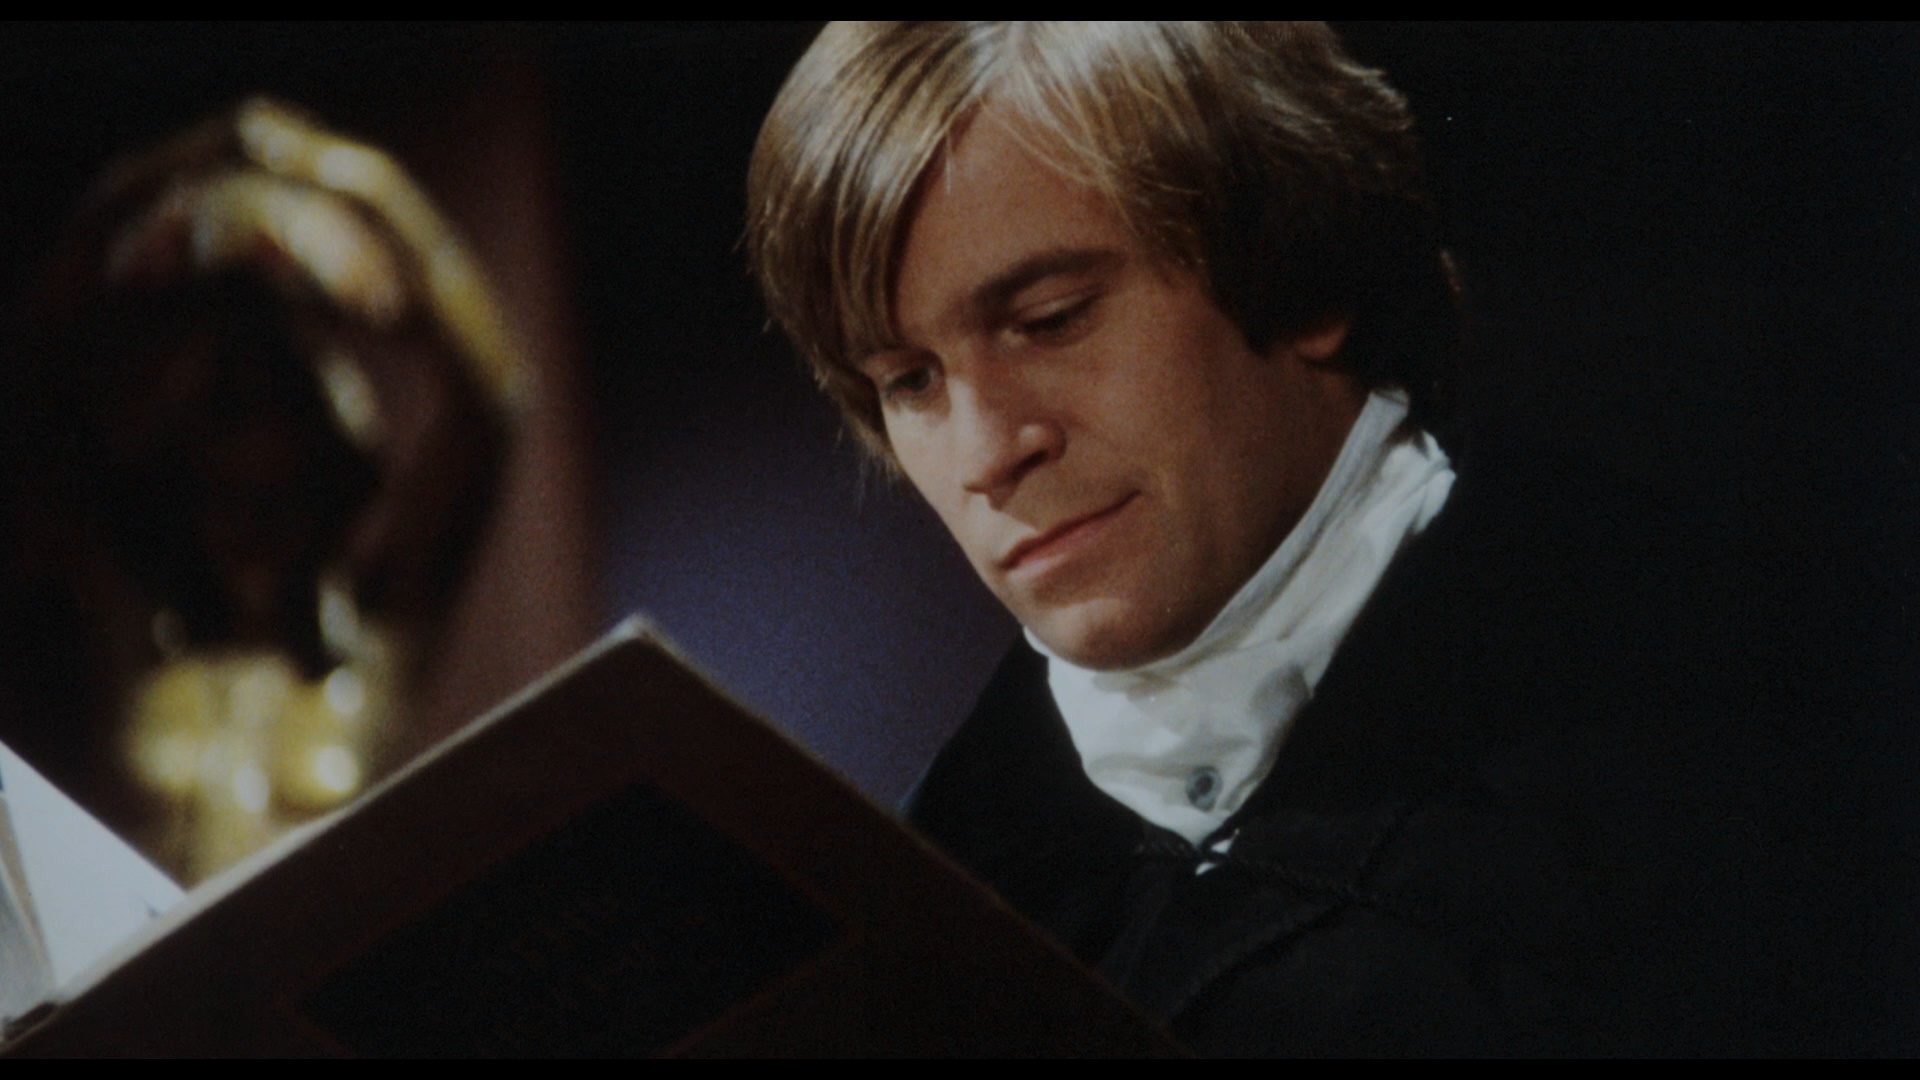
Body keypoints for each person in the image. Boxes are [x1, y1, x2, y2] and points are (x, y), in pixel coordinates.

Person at [748, 22, 1893, 1055]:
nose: (985, 451)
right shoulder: (895, 908)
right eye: (908, 380)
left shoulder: (1769, 732)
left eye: (1051, 320)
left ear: (1303, 279)